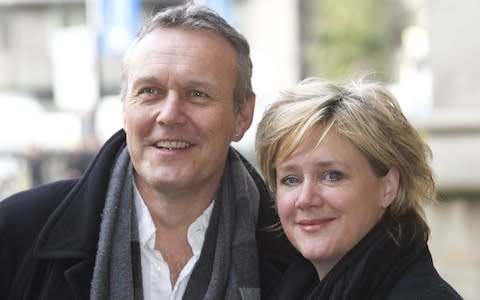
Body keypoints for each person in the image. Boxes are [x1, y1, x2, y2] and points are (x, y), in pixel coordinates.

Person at [0, 4, 297, 300]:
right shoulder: (16, 233)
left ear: (242, 115)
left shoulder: (300, 250)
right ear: (124, 108)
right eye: (149, 91)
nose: (169, 115)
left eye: (197, 94)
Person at [255, 77, 463, 299]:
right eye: (291, 179)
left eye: (332, 176)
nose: (305, 199)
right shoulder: (290, 288)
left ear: (388, 187)